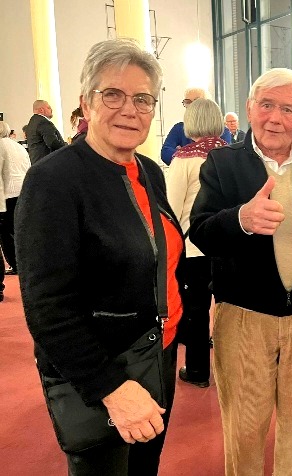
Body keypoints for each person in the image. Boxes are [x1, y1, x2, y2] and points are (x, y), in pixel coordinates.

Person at [15, 38, 184, 475]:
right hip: (103, 371)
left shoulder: (149, 171)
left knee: (145, 468)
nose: (130, 109)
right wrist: (110, 388)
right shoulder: (53, 180)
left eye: (142, 99)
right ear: (86, 103)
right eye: (113, 94)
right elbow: (48, 308)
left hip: (156, 354)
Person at [189, 68, 292, 475]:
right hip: (243, 316)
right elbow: (201, 231)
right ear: (250, 109)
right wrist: (241, 219)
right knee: (244, 432)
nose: (276, 118)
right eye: (267, 105)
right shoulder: (222, 163)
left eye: (288, 109)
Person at [166, 98, 227, 388]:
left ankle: (198, 370)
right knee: (230, 311)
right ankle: (232, 370)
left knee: (196, 311)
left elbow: (171, 209)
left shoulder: (184, 160)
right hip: (228, 245)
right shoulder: (232, 156)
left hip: (193, 248)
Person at [160, 88, 232, 165]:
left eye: (197, 101)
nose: (192, 105)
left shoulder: (222, 131)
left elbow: (220, 158)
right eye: (188, 102)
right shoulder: (179, 128)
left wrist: (182, 153)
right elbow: (165, 153)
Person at [0, 121, 30, 276]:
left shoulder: (1, 146)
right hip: (22, 191)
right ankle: (25, 263)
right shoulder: (18, 146)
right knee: (19, 231)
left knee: (5, 234)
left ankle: (15, 265)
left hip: (7, 193)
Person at [25, 99, 67, 163]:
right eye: (48, 108)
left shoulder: (32, 122)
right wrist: (66, 148)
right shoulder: (43, 122)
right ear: (41, 110)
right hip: (47, 162)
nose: (51, 110)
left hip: (37, 162)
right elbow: (52, 143)